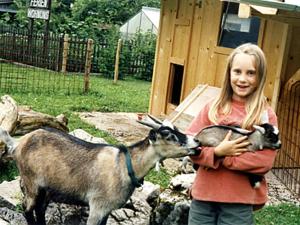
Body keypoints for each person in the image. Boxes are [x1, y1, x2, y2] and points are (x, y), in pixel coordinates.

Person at [186, 43, 279, 225]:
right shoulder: (212, 108)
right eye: (237, 72)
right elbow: (188, 146)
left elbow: (263, 162)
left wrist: (226, 158)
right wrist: (217, 152)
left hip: (238, 203)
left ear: (260, 76)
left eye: (250, 73)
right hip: (203, 198)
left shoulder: (265, 116)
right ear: (229, 74)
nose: (242, 79)